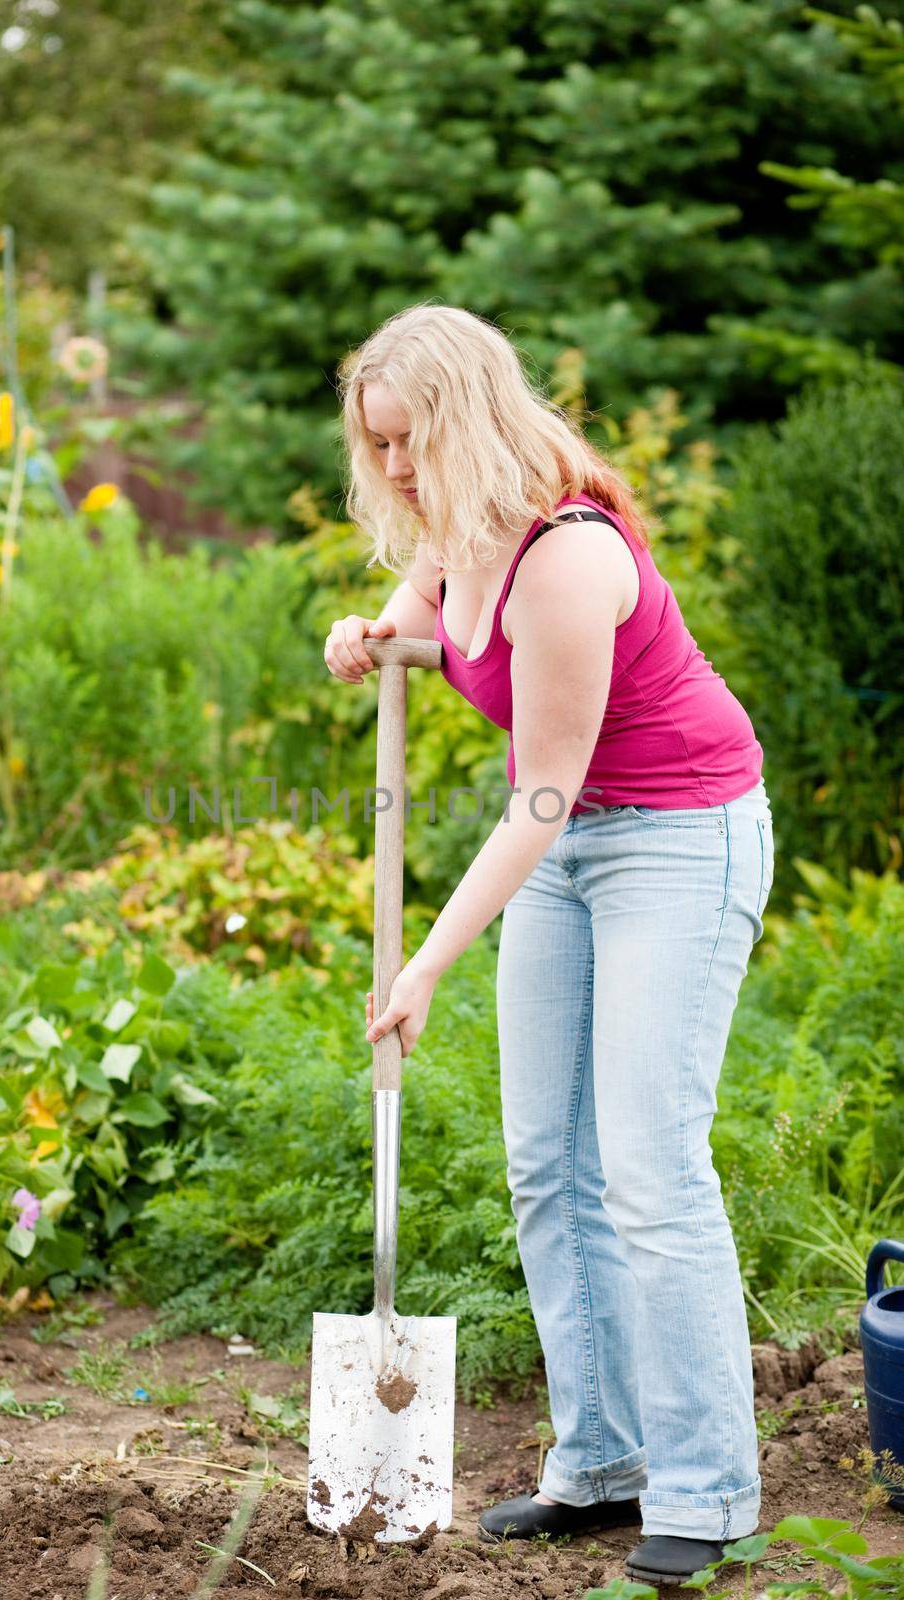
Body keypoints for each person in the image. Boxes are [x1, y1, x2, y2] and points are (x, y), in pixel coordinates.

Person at [323, 303, 775, 1585]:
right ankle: (599, 1463)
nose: (396, 468)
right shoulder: (452, 529)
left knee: (646, 1164)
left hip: (674, 839)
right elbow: (420, 603)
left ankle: (705, 1489)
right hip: (572, 848)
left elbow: (544, 791)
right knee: (545, 1162)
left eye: (412, 440)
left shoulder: (568, 555)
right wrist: (362, 634)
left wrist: (422, 964)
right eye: (380, 445)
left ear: (465, 420)